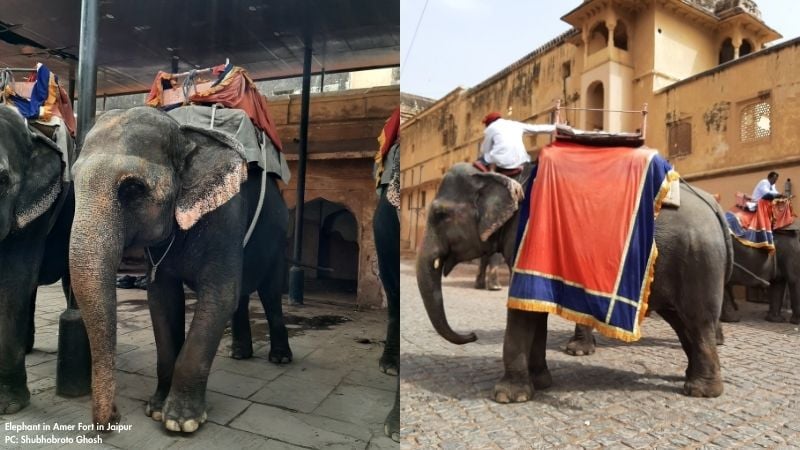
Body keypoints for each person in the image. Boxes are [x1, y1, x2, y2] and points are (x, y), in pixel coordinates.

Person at [478, 112, 555, 171]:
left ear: (489, 123)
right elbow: (537, 129)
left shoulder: (490, 128)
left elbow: (485, 150)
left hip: (503, 162)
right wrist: (555, 127)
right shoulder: (515, 124)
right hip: (522, 160)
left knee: (482, 159)